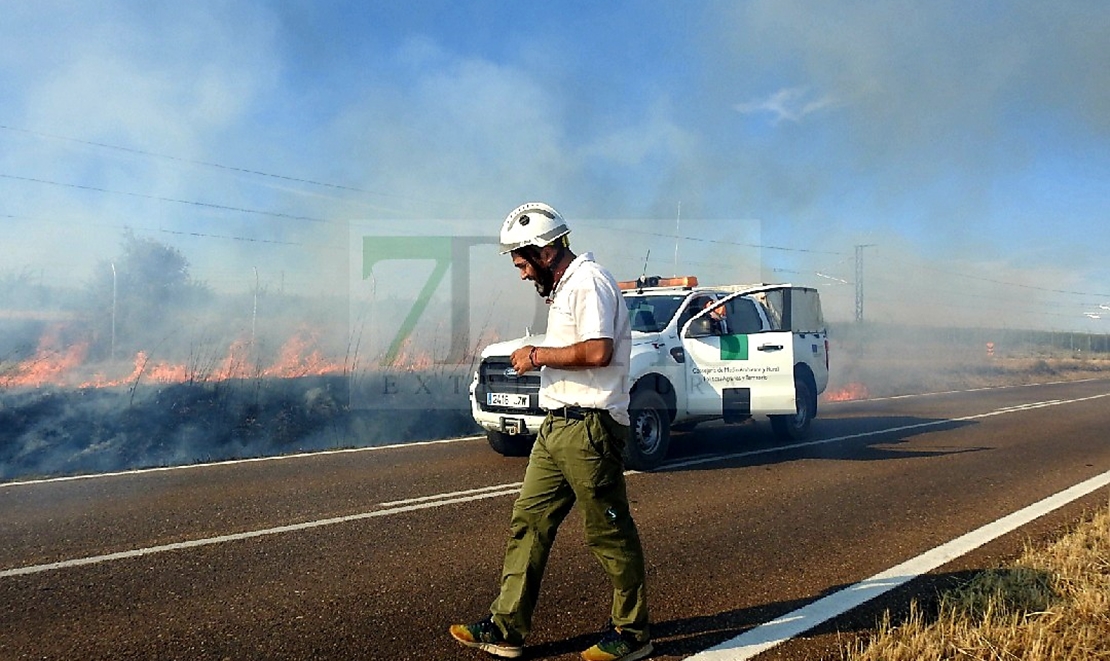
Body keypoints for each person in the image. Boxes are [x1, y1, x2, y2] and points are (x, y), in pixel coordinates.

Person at [450, 202, 652, 661]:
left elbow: (599, 351)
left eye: (522, 263)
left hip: (590, 428)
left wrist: (538, 355)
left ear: (543, 251)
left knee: (608, 532)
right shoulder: (563, 289)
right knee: (529, 521)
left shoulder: (589, 283)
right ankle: (506, 628)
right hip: (558, 425)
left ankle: (633, 633)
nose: (521, 274)